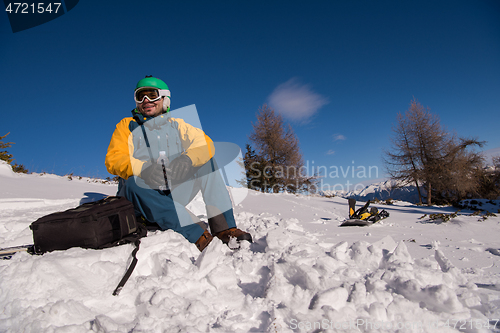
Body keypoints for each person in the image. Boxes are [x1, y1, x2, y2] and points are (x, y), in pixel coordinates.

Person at [105, 76, 252, 251]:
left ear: (164, 98)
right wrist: (143, 169)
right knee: (132, 183)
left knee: (207, 163)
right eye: (140, 96)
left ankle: (225, 229)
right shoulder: (127, 126)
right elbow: (114, 159)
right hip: (141, 195)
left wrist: (187, 159)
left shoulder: (177, 125)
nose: (146, 101)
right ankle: (198, 234)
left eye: (151, 95)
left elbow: (205, 144)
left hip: (169, 190)